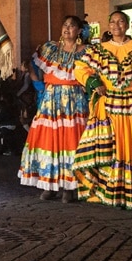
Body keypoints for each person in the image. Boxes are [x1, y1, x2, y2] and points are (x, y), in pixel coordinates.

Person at [72, 10, 132, 209]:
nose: (117, 25)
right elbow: (80, 68)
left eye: (121, 21)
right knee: (110, 149)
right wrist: (93, 81)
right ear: (109, 26)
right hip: (108, 108)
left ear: (128, 24)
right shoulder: (98, 50)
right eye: (113, 22)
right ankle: (111, 192)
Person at [18, 15, 89, 203]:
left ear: (79, 31)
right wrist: (29, 70)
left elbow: (91, 77)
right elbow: (36, 75)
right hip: (51, 100)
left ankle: (69, 186)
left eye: (72, 26)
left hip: (74, 101)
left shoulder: (86, 52)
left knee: (71, 141)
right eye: (65, 25)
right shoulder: (49, 49)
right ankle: (49, 184)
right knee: (50, 141)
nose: (67, 29)